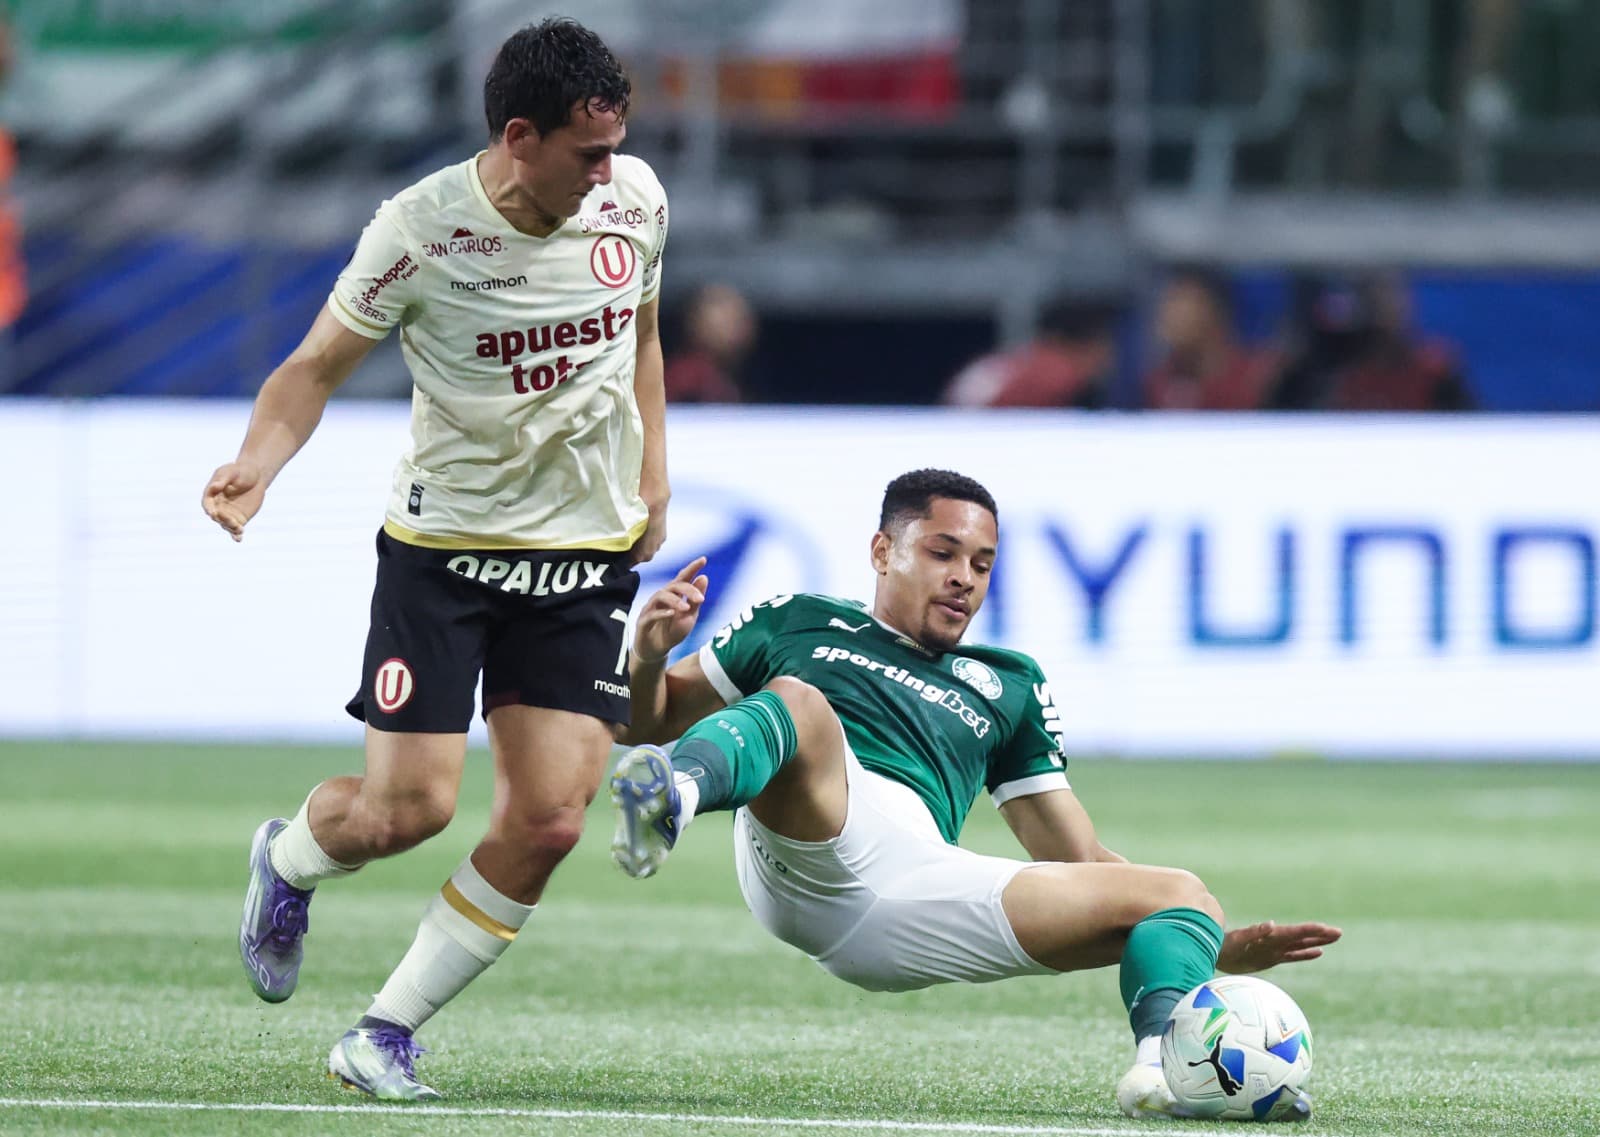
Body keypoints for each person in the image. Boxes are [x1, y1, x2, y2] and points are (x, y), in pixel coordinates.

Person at [201, 18, 670, 1101]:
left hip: (579, 560)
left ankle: (384, 1034)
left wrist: (656, 474)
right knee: (404, 812)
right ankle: (290, 859)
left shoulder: (636, 201)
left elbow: (642, 334)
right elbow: (314, 367)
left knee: (550, 818)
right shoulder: (416, 232)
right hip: (446, 553)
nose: (611, 173)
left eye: (616, 148)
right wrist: (256, 464)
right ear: (518, 135)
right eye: (586, 153)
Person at [609, 469, 1341, 1121]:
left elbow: (1079, 857)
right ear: (881, 550)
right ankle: (671, 796)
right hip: (806, 841)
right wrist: (648, 655)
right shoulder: (796, 620)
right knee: (798, 704)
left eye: (983, 564)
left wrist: (1208, 938)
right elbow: (644, 720)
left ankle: (1160, 1069)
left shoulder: (1009, 683)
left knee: (1182, 893)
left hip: (913, 879)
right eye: (943, 552)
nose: (965, 577)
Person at [1268, 272, 1473, 411]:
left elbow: (1469, 429)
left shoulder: (1433, 370)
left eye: (1390, 293)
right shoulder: (1326, 370)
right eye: (1371, 293)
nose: (1381, 304)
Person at [941, 297, 1119, 409]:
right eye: (1104, 349)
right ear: (1087, 347)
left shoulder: (1030, 359)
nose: (1108, 359)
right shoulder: (1056, 375)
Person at [1142, 267, 1278, 411]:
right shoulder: (1158, 382)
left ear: (1213, 311)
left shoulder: (1258, 378)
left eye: (1180, 304)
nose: (1168, 316)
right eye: (1166, 304)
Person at [662, 283, 757, 403]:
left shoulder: (732, 376)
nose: (734, 320)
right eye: (723, 312)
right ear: (694, 322)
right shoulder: (684, 381)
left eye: (739, 314)